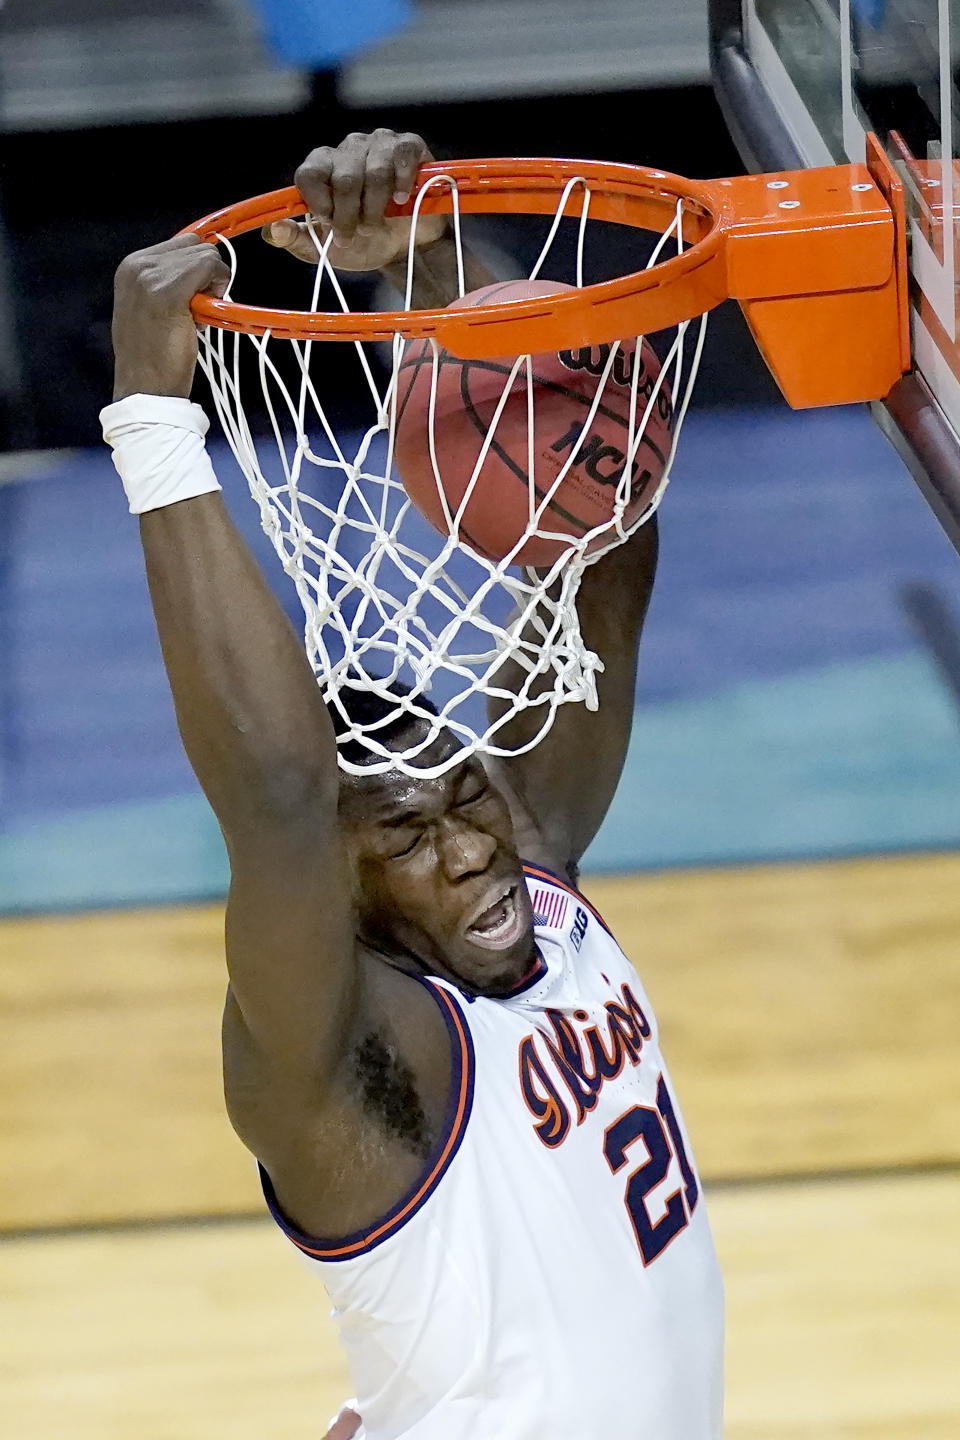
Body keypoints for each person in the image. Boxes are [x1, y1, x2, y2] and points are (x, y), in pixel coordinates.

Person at [101, 129, 724, 1440]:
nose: (471, 847)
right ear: (341, 889)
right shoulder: (351, 1069)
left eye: (463, 796)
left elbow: (600, 544)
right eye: (403, 830)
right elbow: (276, 793)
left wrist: (433, 270)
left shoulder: (532, 869)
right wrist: (154, 425)